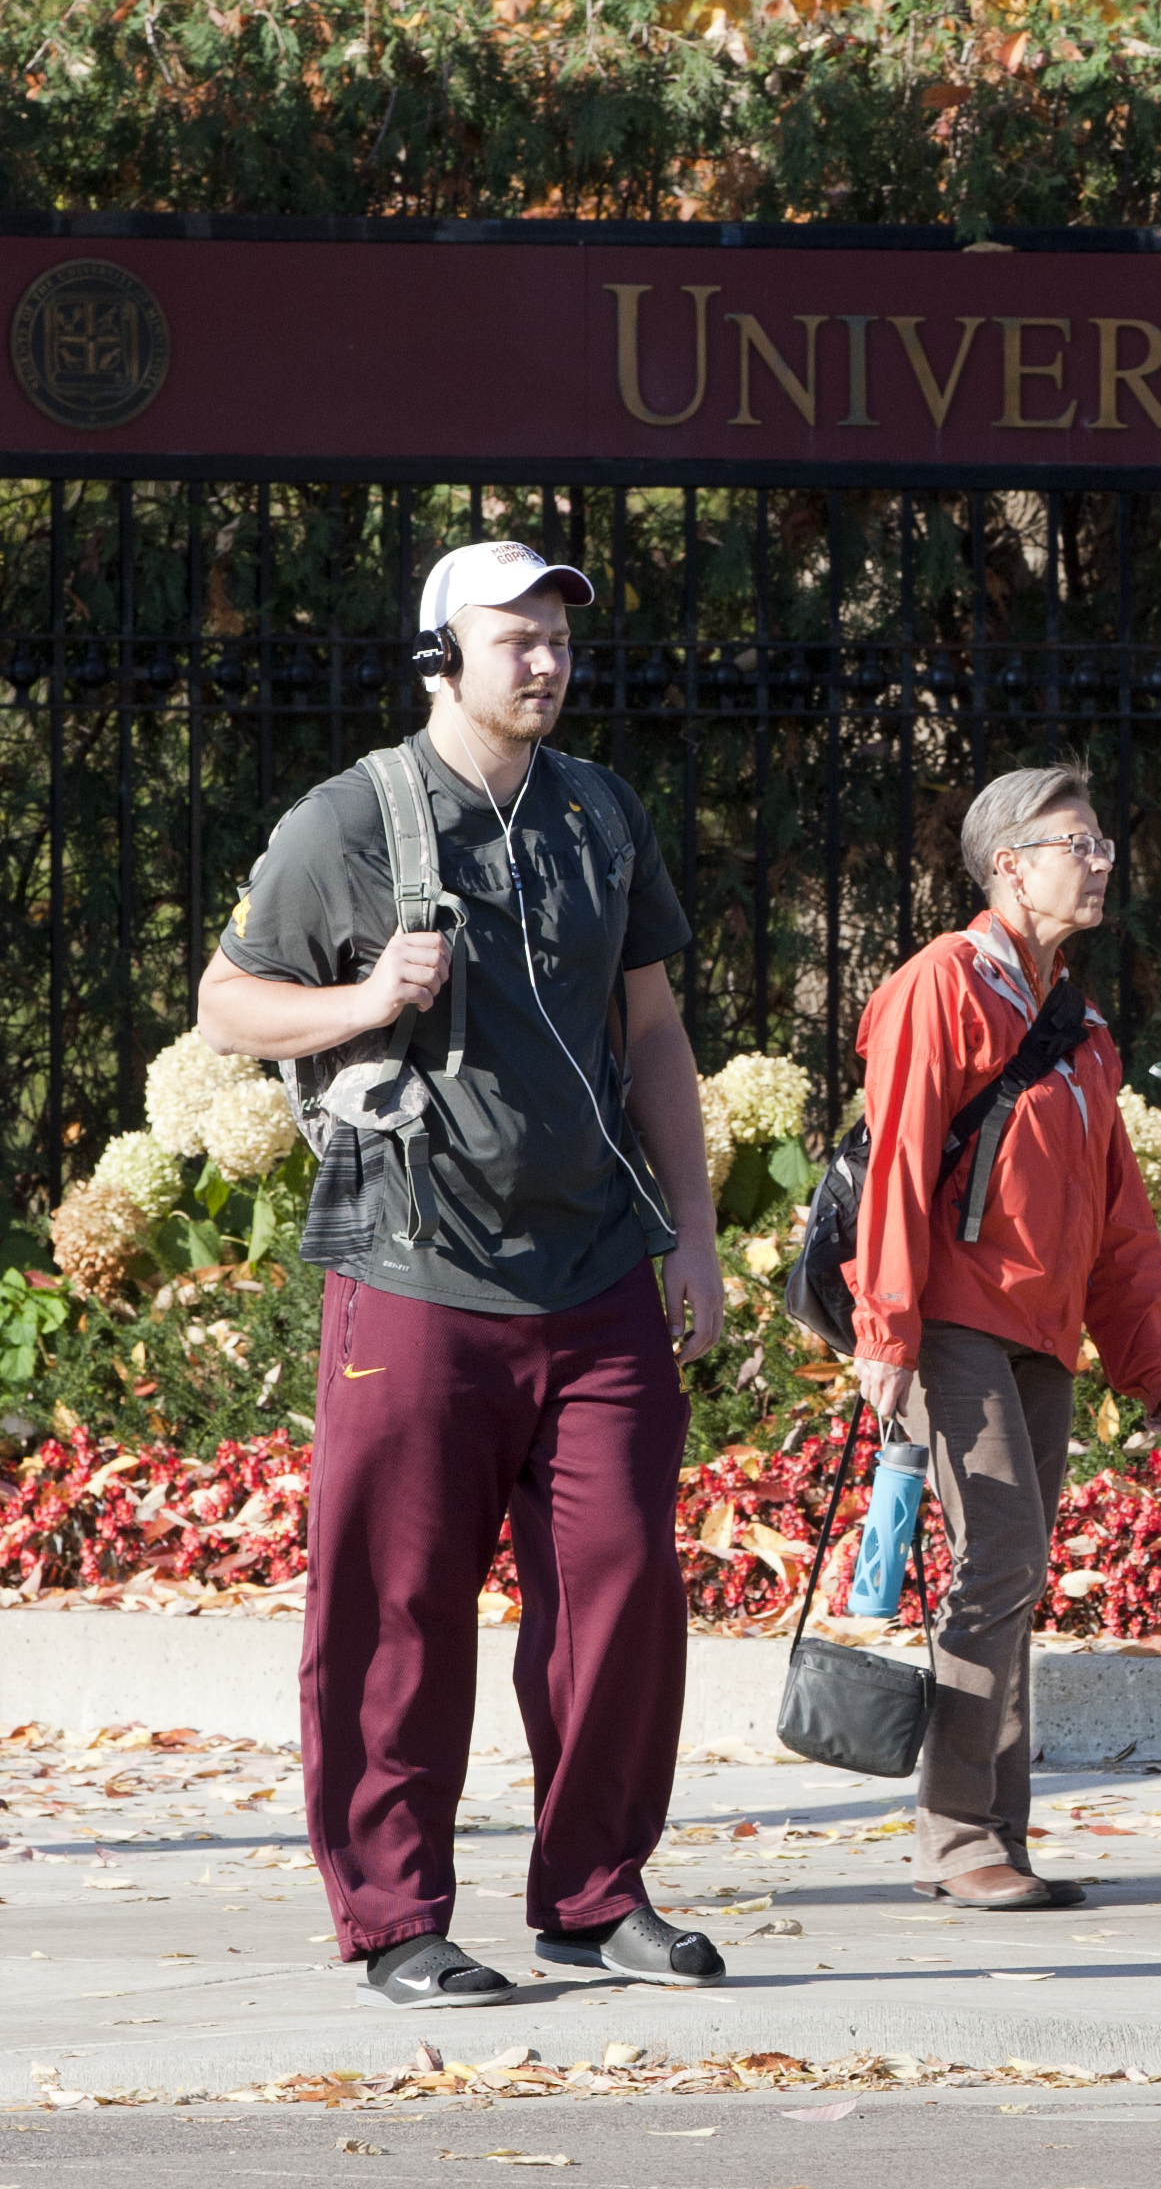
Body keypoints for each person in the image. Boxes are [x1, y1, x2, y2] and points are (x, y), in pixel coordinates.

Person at [196, 541, 726, 2010]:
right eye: (517, 637)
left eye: (560, 634)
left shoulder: (601, 813)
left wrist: (691, 1226)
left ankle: (594, 1896)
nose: (547, 659)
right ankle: (393, 1916)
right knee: (395, 1607)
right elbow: (226, 1003)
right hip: (414, 1270)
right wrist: (365, 998)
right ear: (443, 654)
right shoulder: (349, 820)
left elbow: (657, 1032)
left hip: (600, 1273)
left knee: (623, 1588)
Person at [850, 765, 1161, 1910]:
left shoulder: (1080, 1024)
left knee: (1013, 1575)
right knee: (1000, 1562)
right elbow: (897, 1164)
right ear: (1009, 864)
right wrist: (887, 1330)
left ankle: (996, 1832)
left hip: (1040, 1335)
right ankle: (956, 1836)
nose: (1099, 860)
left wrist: (1149, 1366)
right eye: (1076, 843)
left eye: (1100, 842)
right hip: (952, 1319)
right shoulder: (939, 986)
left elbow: (1118, 1220)